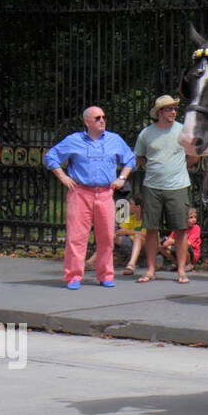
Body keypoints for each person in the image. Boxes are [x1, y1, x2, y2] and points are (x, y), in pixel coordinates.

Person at [45, 105, 135, 289]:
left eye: (103, 117)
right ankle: (74, 276)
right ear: (87, 122)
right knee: (76, 236)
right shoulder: (74, 140)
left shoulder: (114, 139)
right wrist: (62, 176)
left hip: (105, 193)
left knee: (106, 237)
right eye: (97, 118)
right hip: (81, 192)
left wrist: (122, 178)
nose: (102, 120)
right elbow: (51, 156)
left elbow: (130, 159)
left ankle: (105, 274)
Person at [133, 94, 196, 284]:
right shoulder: (146, 134)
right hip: (152, 186)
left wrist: (176, 169)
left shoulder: (183, 131)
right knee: (151, 229)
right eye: (169, 108)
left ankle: (181, 270)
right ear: (160, 112)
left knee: (180, 229)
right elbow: (140, 157)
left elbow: (193, 157)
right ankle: (151, 270)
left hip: (178, 186)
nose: (174, 111)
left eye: (175, 108)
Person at [160, 207, 201, 271]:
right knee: (161, 246)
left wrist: (172, 242)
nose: (194, 220)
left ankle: (188, 264)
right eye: (191, 217)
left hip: (191, 253)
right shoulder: (179, 228)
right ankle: (178, 264)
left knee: (184, 246)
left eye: (195, 217)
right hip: (177, 249)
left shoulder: (196, 228)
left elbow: (189, 243)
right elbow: (170, 239)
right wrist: (166, 243)